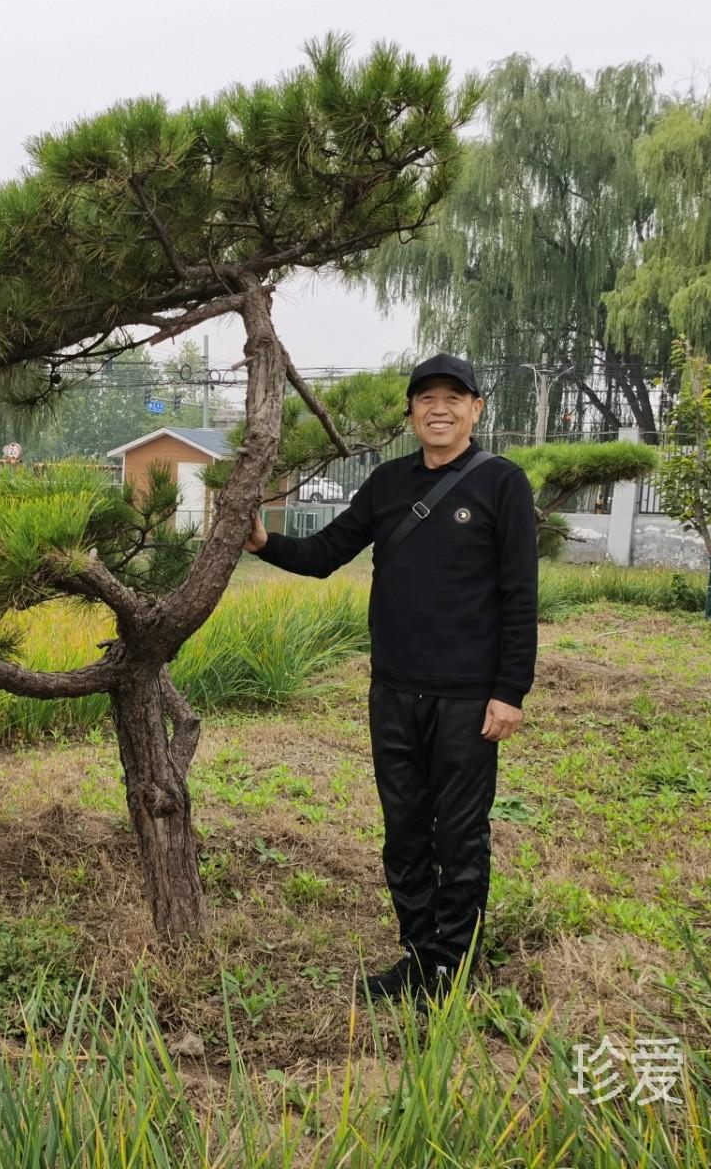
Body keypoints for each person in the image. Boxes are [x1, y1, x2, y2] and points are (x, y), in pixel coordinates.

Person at [244, 353, 538, 1003]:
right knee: (404, 830)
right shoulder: (386, 483)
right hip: (394, 691)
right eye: (426, 397)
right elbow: (326, 554)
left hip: (467, 698)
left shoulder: (502, 484)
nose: (439, 407)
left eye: (453, 397)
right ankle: (417, 956)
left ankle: (452, 968)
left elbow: (520, 593)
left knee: (459, 835)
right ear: (410, 412)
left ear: (476, 410)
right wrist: (267, 545)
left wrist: (509, 691)